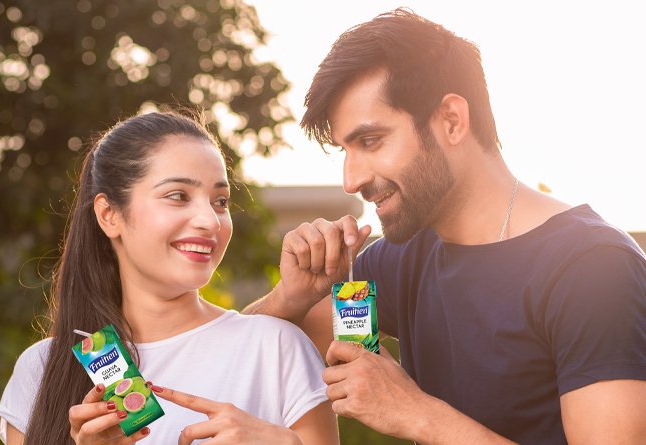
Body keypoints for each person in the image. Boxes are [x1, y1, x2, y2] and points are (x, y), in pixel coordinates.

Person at [243, 8, 646, 445]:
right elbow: (257, 351)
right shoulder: (399, 260)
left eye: (370, 141)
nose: (351, 180)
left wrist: (417, 414)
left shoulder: (593, 269)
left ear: (452, 120)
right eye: (345, 149)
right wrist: (291, 297)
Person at [0, 111, 339, 445]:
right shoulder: (42, 369)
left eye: (220, 201)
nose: (210, 220)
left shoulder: (277, 346)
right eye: (178, 196)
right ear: (109, 215)